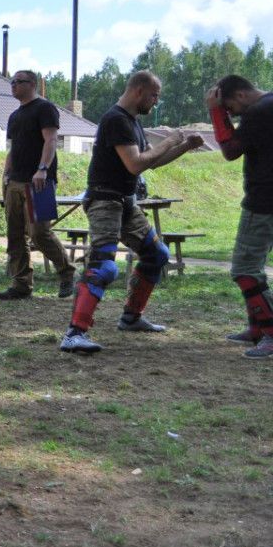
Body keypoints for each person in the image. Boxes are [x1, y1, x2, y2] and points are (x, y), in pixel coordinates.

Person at [60, 70, 203, 354]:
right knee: (104, 266)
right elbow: (135, 164)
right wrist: (171, 140)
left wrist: (185, 146)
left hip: (125, 201)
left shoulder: (132, 122)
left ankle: (131, 317)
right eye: (154, 95)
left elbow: (153, 161)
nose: (156, 102)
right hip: (104, 201)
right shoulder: (116, 120)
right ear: (138, 90)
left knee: (157, 254)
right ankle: (74, 334)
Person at [207, 75, 273, 358]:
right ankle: (257, 327)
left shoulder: (259, 111)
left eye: (230, 108)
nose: (231, 115)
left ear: (241, 95)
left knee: (245, 268)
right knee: (253, 266)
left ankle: (270, 333)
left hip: (263, 202)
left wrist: (215, 112)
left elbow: (230, 151)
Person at [0, 69, 77, 300]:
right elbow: (14, 149)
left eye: (18, 82)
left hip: (38, 183)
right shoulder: (14, 116)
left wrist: (42, 169)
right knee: (15, 235)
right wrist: (5, 175)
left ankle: (67, 272)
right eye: (11, 82)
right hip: (15, 181)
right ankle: (21, 284)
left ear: (32, 84)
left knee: (39, 233)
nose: (13, 85)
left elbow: (50, 140)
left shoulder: (45, 109)